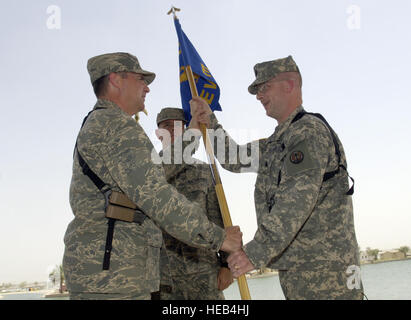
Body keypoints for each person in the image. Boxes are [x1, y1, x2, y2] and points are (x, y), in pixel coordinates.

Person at [62, 52, 242, 300]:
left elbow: (154, 171)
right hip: (112, 277)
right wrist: (219, 238)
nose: (147, 87)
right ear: (116, 80)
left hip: (112, 272)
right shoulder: (115, 125)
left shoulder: (104, 122)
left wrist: (191, 133)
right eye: (140, 79)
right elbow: (157, 195)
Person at [190, 55, 364, 300]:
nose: (259, 96)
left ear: (289, 85)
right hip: (300, 272)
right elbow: (233, 158)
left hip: (327, 275)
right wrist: (210, 119)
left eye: (264, 87)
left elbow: (295, 202)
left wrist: (254, 252)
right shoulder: (276, 143)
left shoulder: (307, 132)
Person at [154, 107, 233, 300]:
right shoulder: (148, 173)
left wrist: (226, 265)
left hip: (204, 273)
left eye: (176, 125)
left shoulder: (204, 170)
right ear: (158, 134)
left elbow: (217, 219)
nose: (171, 130)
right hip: (163, 278)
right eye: (166, 126)